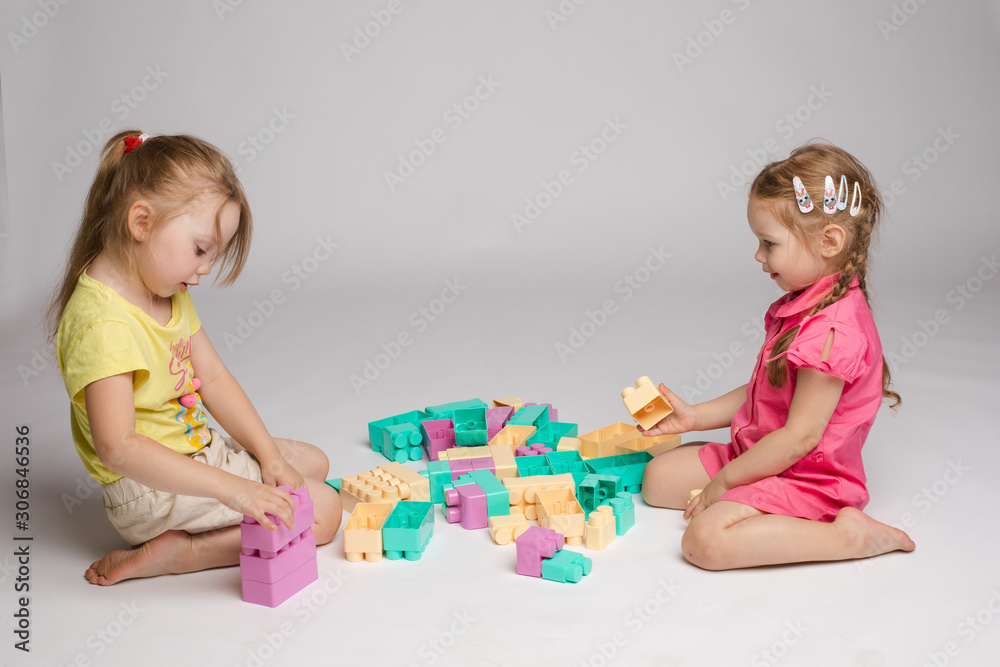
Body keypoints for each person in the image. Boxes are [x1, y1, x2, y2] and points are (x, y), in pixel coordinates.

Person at [51, 131, 342, 585]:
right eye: (201, 250)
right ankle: (183, 552)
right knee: (323, 511)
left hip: (196, 454)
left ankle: (227, 498)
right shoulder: (102, 324)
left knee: (313, 462)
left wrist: (267, 457)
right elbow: (118, 447)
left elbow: (213, 378)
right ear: (141, 222)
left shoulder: (162, 288)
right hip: (149, 492)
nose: (205, 268)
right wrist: (237, 490)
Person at [641, 143, 915, 570]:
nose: (758, 255)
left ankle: (847, 536)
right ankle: (747, 483)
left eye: (769, 243)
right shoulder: (804, 302)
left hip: (808, 478)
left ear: (829, 241)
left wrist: (727, 481)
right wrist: (695, 417)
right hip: (765, 453)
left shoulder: (832, 332)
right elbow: (764, 390)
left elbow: (800, 438)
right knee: (656, 480)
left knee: (704, 543)